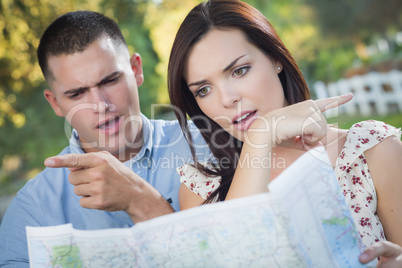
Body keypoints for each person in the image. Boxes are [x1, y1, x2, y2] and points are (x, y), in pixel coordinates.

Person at [167, 0, 402, 265]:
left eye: (239, 71)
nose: (227, 99)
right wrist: (260, 138)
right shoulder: (201, 189)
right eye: (204, 90)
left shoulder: (371, 152)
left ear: (275, 59)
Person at [0, 11, 209, 265]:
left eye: (110, 80)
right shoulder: (33, 211)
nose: (101, 105)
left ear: (136, 70)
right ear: (55, 103)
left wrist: (140, 200)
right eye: (77, 94)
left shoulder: (210, 146)